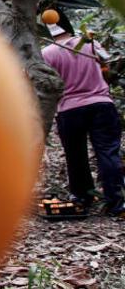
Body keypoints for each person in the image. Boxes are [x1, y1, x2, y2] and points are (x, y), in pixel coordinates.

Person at [42, 24, 125, 218]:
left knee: (75, 155)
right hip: (101, 103)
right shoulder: (90, 43)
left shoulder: (47, 52)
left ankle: (83, 199)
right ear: (68, 28)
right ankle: (117, 203)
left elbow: (46, 83)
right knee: (107, 152)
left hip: (69, 109)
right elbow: (108, 66)